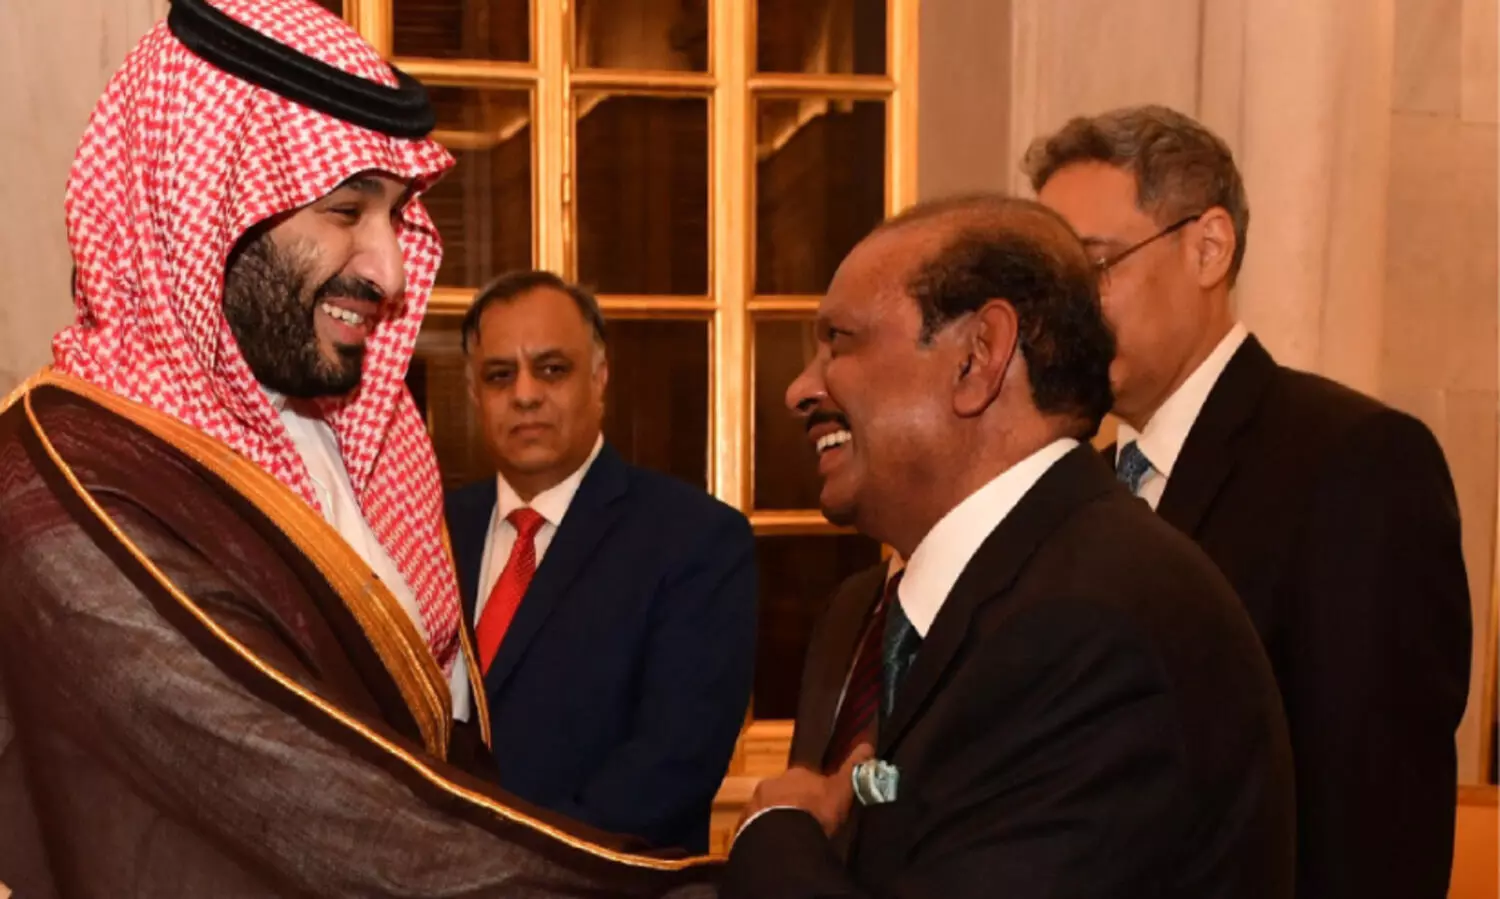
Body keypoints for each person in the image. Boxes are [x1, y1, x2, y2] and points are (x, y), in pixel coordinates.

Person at [0, 1, 718, 895]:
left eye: (395, 214)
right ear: (203, 206)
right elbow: (320, 815)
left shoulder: (356, 439)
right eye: (346, 209)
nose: (390, 270)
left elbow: (446, 743)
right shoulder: (66, 481)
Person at [723, 193, 1295, 898]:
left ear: (979, 357)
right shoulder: (863, 614)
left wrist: (772, 832)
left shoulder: (1100, 627)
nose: (800, 389)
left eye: (839, 341)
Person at [1026, 104, 1473, 899]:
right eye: (1046, 286)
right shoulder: (1073, 486)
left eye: (1093, 268)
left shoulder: (1354, 462)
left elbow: (1378, 818)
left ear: (1208, 248)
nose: (1062, 317)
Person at [445, 270, 757, 853]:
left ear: (599, 377)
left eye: (552, 369)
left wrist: (508, 868)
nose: (525, 394)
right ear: (473, 392)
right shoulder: (432, 531)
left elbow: (674, 762)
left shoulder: (695, 540)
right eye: (499, 375)